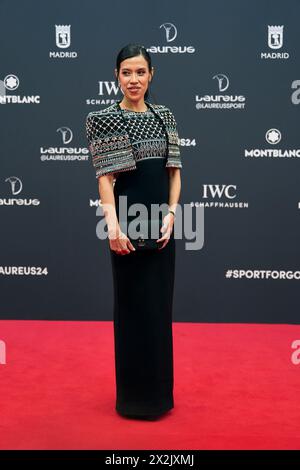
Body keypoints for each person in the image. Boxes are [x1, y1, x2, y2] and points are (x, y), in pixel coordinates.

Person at [85, 43, 182, 420]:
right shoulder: (106, 118)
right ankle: (133, 399)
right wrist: (113, 227)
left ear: (151, 75)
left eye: (140, 72)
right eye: (126, 72)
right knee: (131, 310)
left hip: (161, 226)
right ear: (116, 76)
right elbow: (106, 181)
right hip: (126, 225)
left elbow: (174, 172)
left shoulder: (164, 116)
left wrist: (173, 214)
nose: (133, 79)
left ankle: (159, 397)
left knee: (159, 310)